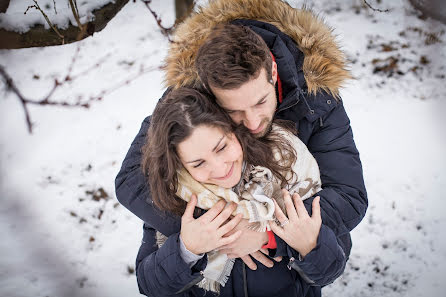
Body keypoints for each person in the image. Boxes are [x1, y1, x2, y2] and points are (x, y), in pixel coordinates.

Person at [116, 0, 367, 293]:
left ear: (273, 71)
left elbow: (348, 196)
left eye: (260, 101)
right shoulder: (186, 105)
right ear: (210, 95)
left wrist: (267, 233)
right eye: (233, 111)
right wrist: (218, 231)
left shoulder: (318, 101)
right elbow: (133, 179)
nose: (252, 122)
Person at [136, 87, 345, 296]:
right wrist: (186, 248)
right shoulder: (176, 194)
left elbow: (330, 271)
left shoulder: (289, 170)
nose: (220, 168)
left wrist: (276, 238)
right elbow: (149, 285)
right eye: (198, 163)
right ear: (181, 165)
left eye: (221, 147)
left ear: (235, 131)